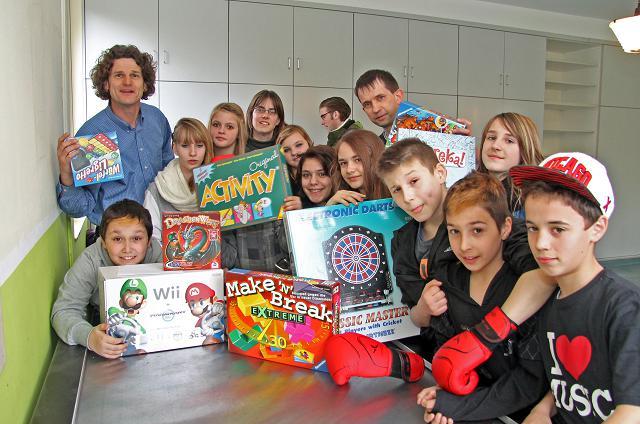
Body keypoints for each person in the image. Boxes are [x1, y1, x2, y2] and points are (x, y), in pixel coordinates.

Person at [375, 139, 550, 358]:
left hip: (507, 352)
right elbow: (416, 313)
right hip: (443, 355)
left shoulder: (482, 208)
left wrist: (491, 331)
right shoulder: (403, 243)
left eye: (414, 181)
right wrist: (423, 309)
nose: (408, 197)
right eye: (397, 189)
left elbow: (539, 268)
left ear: (440, 173)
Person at [506, 153, 640, 423]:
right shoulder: (549, 299)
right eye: (532, 228)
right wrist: (543, 409)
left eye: (557, 229)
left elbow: (632, 411)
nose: (541, 243)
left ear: (597, 228)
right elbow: (570, 378)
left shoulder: (625, 307)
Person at [415, 171, 546, 423]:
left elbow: (530, 381)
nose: (464, 245)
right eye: (454, 231)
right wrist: (448, 390)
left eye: (477, 230)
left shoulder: (526, 288)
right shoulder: (447, 282)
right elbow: (448, 351)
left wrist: (463, 406)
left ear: (505, 227)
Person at [56, 45, 173, 226]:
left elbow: (170, 172)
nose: (127, 82)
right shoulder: (92, 135)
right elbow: (80, 207)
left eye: (135, 75)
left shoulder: (157, 119)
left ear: (145, 84)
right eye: (119, 75)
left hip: (160, 229)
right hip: (116, 235)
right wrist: (67, 176)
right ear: (106, 84)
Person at [51, 199, 162, 359]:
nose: (127, 248)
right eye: (117, 239)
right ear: (103, 242)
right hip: (106, 327)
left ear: (149, 241)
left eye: (136, 238)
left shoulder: (158, 257)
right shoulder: (90, 261)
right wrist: (90, 337)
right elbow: (64, 310)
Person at [143, 118, 237, 268]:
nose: (193, 153)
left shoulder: (219, 189)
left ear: (207, 147)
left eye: (199, 146)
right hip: (167, 274)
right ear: (174, 148)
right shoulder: (157, 190)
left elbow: (231, 254)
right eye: (185, 145)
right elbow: (150, 242)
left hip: (212, 274)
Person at [354, 69, 471, 143]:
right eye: (367, 104)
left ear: (398, 96)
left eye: (380, 98)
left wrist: (465, 146)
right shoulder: (375, 149)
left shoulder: (437, 133)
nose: (375, 109)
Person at [478, 112, 544, 217]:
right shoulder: (469, 188)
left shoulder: (530, 203)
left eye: (509, 141)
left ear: (525, 150)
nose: (495, 146)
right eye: (491, 138)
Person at [326, 129, 389, 206]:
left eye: (358, 160)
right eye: (343, 163)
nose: (349, 170)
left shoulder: (397, 195)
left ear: (376, 159)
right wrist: (329, 209)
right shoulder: (339, 201)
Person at [275, 124, 314, 212]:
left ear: (308, 142)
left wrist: (303, 205)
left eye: (298, 145)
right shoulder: (279, 179)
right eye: (286, 150)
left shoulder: (324, 168)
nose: (294, 152)